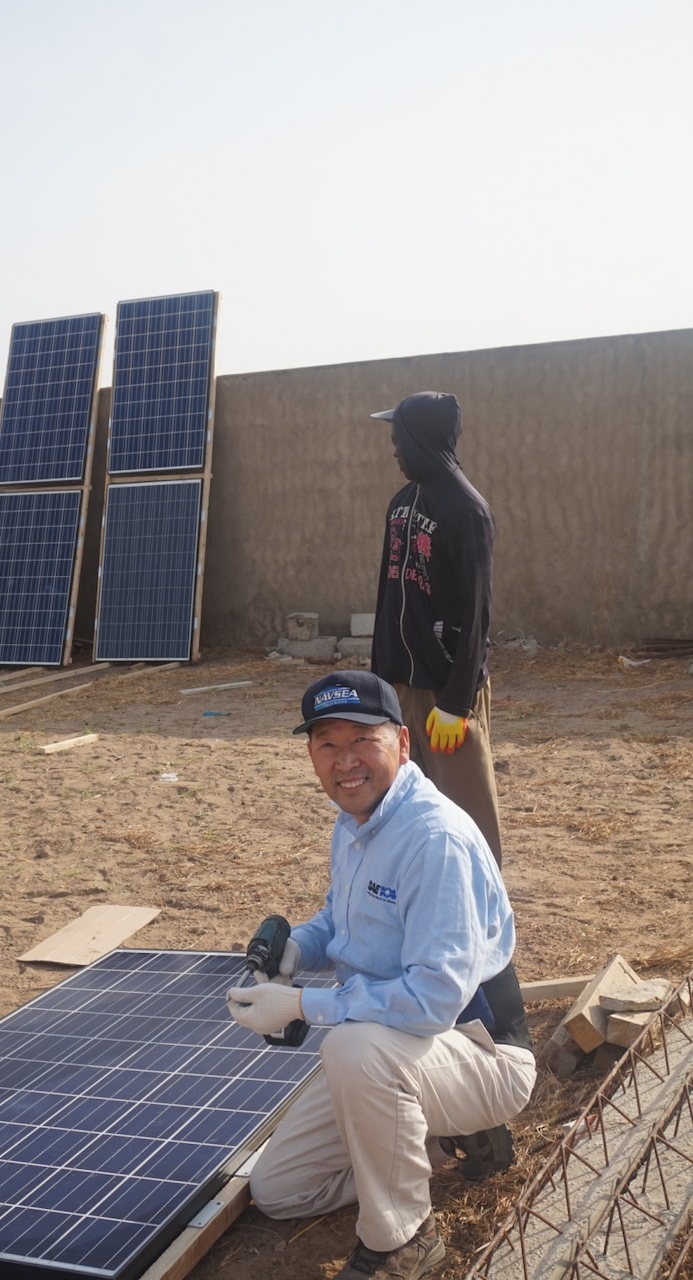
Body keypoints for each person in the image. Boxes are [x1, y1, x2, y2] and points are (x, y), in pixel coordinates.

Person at [226, 670, 535, 1280]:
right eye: (327, 744)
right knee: (278, 1188)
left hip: (481, 1053)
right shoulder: (359, 820)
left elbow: (431, 1002)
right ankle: (437, 1136)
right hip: (408, 1055)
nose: (345, 762)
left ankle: (405, 1238)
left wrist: (300, 1007)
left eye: (362, 739)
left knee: (352, 1048)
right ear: (312, 754)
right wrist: (300, 951)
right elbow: (343, 912)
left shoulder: (434, 838)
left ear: (402, 742)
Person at [369, 391, 503, 866]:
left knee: (467, 816)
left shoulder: (468, 512)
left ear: (418, 438)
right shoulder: (401, 504)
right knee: (405, 810)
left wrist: (457, 701)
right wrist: (377, 680)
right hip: (400, 688)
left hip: (445, 697)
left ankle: (482, 915)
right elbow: (388, 597)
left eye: (398, 437)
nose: (393, 449)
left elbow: (478, 612)